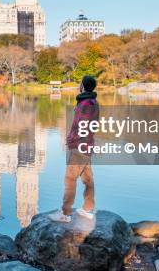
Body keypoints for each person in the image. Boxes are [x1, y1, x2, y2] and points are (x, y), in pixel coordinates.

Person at [49, 75, 99, 222]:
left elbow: (80, 126)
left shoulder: (86, 104)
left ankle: (65, 213)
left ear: (83, 86)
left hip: (80, 147)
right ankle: (87, 209)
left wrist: (71, 141)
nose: (78, 85)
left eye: (80, 83)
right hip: (87, 145)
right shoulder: (92, 102)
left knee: (70, 178)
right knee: (87, 178)